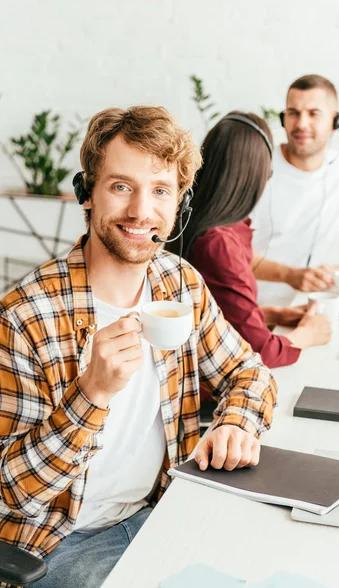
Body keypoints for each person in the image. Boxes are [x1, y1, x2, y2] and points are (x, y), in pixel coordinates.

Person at [0, 106, 277, 588]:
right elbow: (11, 493)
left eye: (160, 191)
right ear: (87, 195)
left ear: (179, 207)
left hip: (161, 513)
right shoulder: (25, 316)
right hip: (61, 542)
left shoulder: (179, 284)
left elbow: (249, 373)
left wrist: (236, 421)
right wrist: (90, 395)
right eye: (122, 186)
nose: (141, 212)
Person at [168, 111, 331, 372]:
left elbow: (208, 317)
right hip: (212, 393)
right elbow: (259, 351)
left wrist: (269, 314)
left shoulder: (202, 223)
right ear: (258, 177)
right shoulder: (218, 244)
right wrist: (307, 335)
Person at [251, 74, 339, 306]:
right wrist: (290, 275)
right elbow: (223, 252)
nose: (301, 124)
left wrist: (335, 273)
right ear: (283, 119)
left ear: (335, 122)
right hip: (245, 309)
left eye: (313, 114)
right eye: (293, 113)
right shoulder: (254, 167)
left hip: (302, 308)